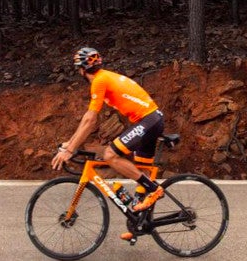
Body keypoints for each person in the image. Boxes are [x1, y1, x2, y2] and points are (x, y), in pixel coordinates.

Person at [51, 47, 165, 239]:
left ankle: (155, 190)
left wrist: (70, 150)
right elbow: (86, 121)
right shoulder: (105, 77)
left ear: (81, 70)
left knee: (110, 155)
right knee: (141, 170)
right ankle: (139, 223)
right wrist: (70, 143)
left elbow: (90, 120)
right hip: (150, 120)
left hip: (148, 121)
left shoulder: (99, 81)